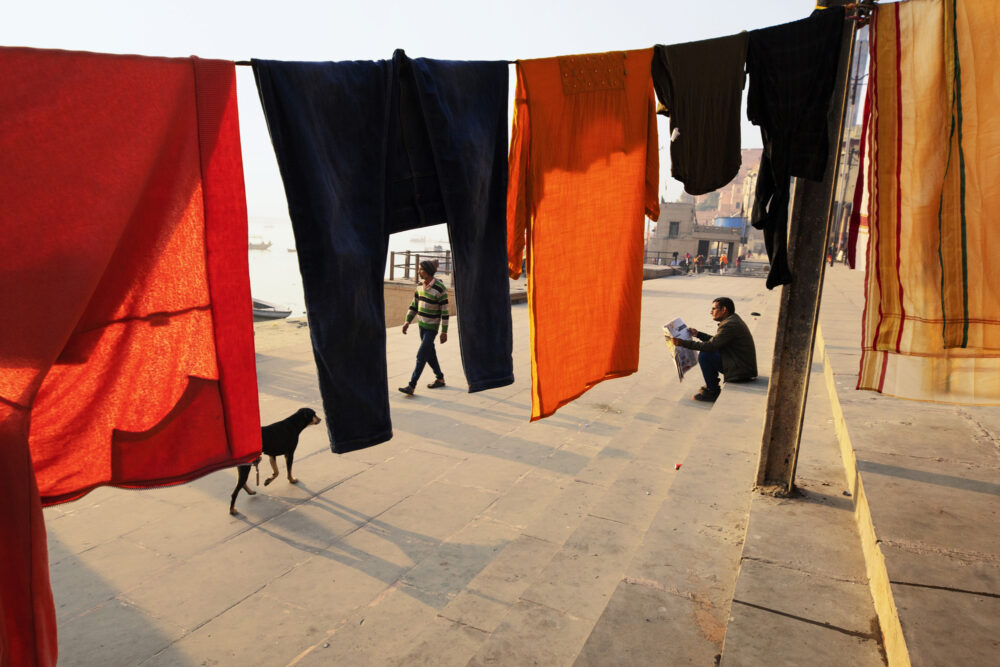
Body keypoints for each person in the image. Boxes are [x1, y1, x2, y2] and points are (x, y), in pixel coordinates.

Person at [669, 297, 757, 402]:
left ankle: (713, 391)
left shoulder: (730, 324)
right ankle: (712, 386)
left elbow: (710, 346)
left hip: (741, 370)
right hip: (742, 365)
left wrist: (683, 343)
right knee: (709, 352)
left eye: (714, 309)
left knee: (705, 355)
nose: (711, 312)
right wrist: (698, 334)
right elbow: (718, 341)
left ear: (724, 309)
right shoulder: (732, 319)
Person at [399, 259, 449, 395]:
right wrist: (407, 321)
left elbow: (445, 312)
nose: (418, 272)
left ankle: (411, 385)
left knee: (421, 355)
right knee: (430, 353)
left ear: (427, 271)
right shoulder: (419, 286)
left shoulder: (440, 289)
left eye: (420, 269)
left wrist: (444, 332)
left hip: (432, 328)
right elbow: (414, 305)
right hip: (421, 326)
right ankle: (440, 378)